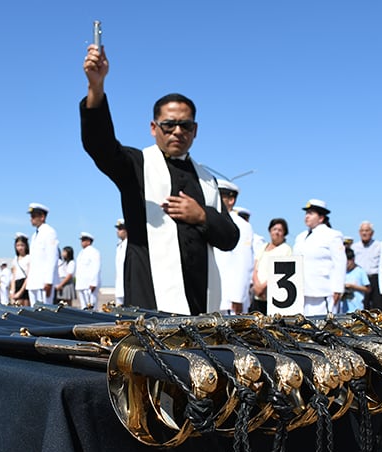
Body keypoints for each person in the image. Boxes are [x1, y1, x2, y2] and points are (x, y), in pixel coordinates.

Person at [81, 44, 239, 315]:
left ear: (195, 130)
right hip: (150, 299)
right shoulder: (137, 165)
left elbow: (230, 238)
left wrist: (202, 216)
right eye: (169, 124)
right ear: (154, 128)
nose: (178, 131)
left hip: (203, 305)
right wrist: (96, 88)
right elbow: (100, 145)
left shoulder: (207, 180)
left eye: (186, 125)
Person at [292, 199, 346, 315]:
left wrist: (338, 288)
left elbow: (340, 262)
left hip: (323, 290)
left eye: (311, 213)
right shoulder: (300, 237)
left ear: (321, 217)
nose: (307, 216)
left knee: (324, 328)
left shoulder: (332, 235)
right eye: (306, 213)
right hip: (302, 290)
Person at [215, 179, 254, 314]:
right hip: (212, 295)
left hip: (229, 300)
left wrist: (238, 297)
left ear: (231, 200)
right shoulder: (212, 220)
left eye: (220, 195)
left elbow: (244, 263)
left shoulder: (242, 225)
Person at [252, 218, 293, 314]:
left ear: (284, 233)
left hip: (273, 297)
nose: (277, 232)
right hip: (258, 296)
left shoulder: (285, 249)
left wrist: (263, 287)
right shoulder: (263, 247)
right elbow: (255, 268)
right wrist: (257, 285)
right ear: (270, 231)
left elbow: (281, 272)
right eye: (274, 229)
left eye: (280, 230)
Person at [26, 203, 60, 305]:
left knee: (44, 312)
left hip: (43, 282)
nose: (31, 219)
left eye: (33, 216)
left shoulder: (49, 232)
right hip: (33, 281)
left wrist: (49, 282)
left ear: (42, 217)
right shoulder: (35, 235)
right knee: (33, 312)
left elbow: (52, 257)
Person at [351, 221, 382, 311]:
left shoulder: (379, 246)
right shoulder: (354, 247)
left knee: (378, 307)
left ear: (372, 232)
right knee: (363, 307)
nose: (364, 233)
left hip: (375, 279)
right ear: (359, 232)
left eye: (367, 230)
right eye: (362, 231)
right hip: (361, 281)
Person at [75, 233, 102, 309]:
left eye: (84, 240)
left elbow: (96, 268)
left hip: (89, 285)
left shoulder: (94, 252)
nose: (82, 242)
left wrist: (93, 283)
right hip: (81, 284)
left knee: (91, 306)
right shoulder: (81, 253)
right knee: (83, 307)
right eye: (82, 240)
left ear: (89, 241)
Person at [340, 247, 370, 314]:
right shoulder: (341, 272)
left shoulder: (360, 271)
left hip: (357, 309)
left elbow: (368, 289)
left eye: (348, 262)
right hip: (343, 310)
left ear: (353, 259)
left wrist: (353, 287)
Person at [9, 235, 31, 306]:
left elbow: (28, 276)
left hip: (25, 285)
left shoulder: (29, 258)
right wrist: (12, 291)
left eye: (22, 245)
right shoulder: (15, 259)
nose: (20, 248)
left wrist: (21, 292)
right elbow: (13, 276)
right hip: (17, 283)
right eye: (18, 245)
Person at [114, 219, 127, 306]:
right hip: (119, 283)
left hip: (127, 283)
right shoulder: (119, 245)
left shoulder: (129, 244)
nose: (118, 231)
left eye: (120, 228)